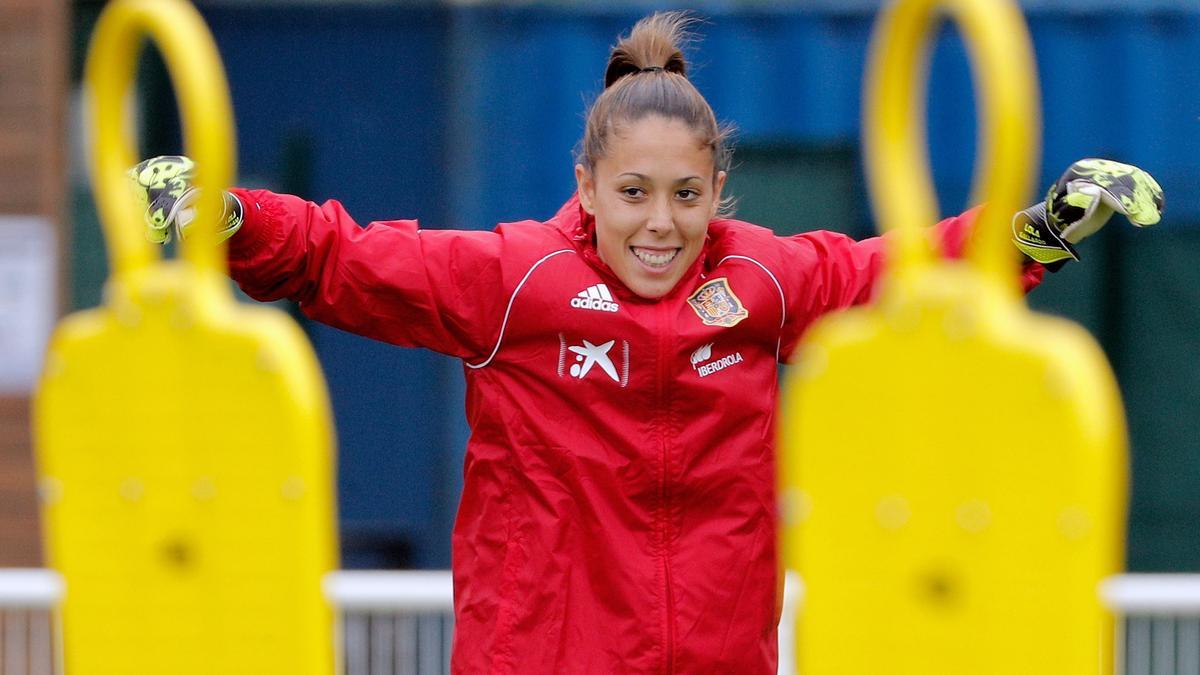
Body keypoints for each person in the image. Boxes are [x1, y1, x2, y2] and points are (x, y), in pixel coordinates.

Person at [128, 12, 1162, 674]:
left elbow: (895, 271)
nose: (659, 223)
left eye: (684, 195)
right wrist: (231, 219)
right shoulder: (515, 279)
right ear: (586, 189)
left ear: (719, 192)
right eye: (632, 194)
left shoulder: (760, 280)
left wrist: (1034, 231)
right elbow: (344, 258)